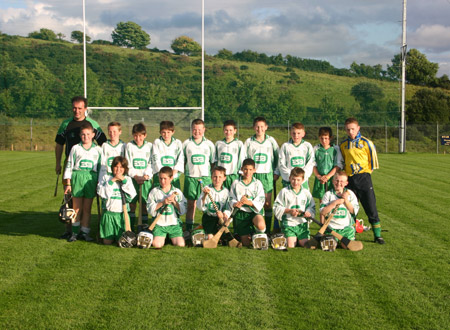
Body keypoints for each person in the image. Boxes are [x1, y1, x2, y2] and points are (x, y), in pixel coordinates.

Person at [340, 117, 385, 244]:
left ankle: (378, 236)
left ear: (358, 128)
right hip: (350, 180)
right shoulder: (343, 145)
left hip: (364, 178)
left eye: (353, 129)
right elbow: (343, 161)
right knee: (349, 207)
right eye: (348, 130)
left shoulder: (367, 143)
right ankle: (349, 232)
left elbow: (373, 162)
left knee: (370, 206)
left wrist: (365, 174)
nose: (351, 132)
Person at [63, 122, 102, 242]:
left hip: (91, 177)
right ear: (80, 135)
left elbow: (101, 168)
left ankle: (84, 232)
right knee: (76, 208)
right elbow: (69, 165)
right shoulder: (76, 148)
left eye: (88, 134)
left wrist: (99, 183)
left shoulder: (98, 150)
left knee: (87, 208)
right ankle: (74, 233)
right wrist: (68, 183)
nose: (86, 137)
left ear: (93, 135)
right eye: (83, 134)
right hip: (78, 176)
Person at [243, 116, 279, 234]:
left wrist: (276, 172)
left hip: (267, 175)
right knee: (252, 203)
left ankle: (267, 230)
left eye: (262, 127)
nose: (259, 129)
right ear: (254, 127)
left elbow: (278, 157)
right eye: (257, 127)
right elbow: (244, 158)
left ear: (266, 127)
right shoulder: (249, 142)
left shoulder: (271, 141)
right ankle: (253, 228)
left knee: (267, 204)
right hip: (253, 175)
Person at [55, 96, 106, 178]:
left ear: (85, 109)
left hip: (89, 163)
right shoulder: (65, 124)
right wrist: (58, 164)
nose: (77, 111)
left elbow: (104, 144)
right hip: (70, 163)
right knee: (68, 189)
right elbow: (59, 144)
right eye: (74, 108)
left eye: (80, 108)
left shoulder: (93, 124)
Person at [182, 119, 215, 232]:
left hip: (205, 177)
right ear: (192, 129)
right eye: (195, 129)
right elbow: (184, 161)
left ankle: (207, 228)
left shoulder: (209, 144)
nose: (197, 132)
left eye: (199, 130)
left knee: (206, 204)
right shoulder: (186, 143)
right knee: (191, 204)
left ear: (204, 130)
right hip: (191, 177)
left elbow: (212, 162)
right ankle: (189, 230)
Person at [97, 156, 136, 245]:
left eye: (121, 167)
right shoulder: (106, 178)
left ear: (125, 169)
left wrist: (124, 181)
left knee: (122, 241)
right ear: (112, 167)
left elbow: (131, 195)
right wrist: (113, 180)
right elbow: (103, 194)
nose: (118, 169)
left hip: (122, 215)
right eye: (116, 167)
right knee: (107, 242)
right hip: (109, 214)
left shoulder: (128, 179)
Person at [273, 168, 315, 248]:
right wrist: (289, 211)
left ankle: (302, 238)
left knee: (305, 244)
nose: (295, 182)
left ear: (303, 180)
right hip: (289, 223)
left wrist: (309, 212)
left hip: (302, 224)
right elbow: (276, 207)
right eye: (293, 179)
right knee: (291, 245)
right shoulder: (284, 191)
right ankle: (287, 235)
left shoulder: (306, 193)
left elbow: (312, 207)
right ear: (289, 178)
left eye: (298, 180)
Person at [229, 159, 266, 247]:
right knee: (246, 244)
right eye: (245, 169)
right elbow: (231, 198)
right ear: (242, 169)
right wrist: (235, 204)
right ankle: (250, 234)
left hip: (254, 212)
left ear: (254, 170)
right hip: (241, 214)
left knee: (261, 225)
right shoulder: (236, 183)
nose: (247, 172)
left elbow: (261, 200)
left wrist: (249, 202)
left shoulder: (258, 183)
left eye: (250, 169)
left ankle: (258, 234)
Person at [147, 166, 187, 248]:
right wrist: (162, 203)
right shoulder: (154, 191)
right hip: (159, 225)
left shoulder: (177, 192)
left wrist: (175, 202)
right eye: (160, 178)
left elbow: (183, 210)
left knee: (181, 244)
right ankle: (165, 238)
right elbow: (150, 209)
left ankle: (170, 237)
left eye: (165, 178)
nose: (162, 181)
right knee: (157, 245)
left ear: (171, 178)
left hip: (174, 224)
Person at [320, 171, 359, 248]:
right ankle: (334, 240)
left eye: (342, 181)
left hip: (346, 228)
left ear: (346, 183)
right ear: (333, 181)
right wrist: (335, 203)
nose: (338, 183)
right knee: (328, 247)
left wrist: (346, 201)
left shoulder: (350, 194)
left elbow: (353, 212)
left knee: (347, 246)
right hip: (331, 228)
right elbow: (323, 212)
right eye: (336, 180)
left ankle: (341, 241)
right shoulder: (328, 195)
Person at [125, 122, 153, 228]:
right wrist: (136, 176)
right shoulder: (129, 146)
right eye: (135, 135)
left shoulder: (149, 146)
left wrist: (146, 176)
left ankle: (143, 228)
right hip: (133, 180)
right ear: (133, 135)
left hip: (145, 180)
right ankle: (130, 228)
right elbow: (128, 164)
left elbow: (151, 163)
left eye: (140, 135)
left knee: (144, 204)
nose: (138, 138)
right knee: (132, 204)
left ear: (145, 135)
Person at [197, 166, 231, 240]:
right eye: (215, 177)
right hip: (209, 218)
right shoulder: (207, 189)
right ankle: (204, 233)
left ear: (224, 178)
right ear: (211, 177)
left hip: (220, 220)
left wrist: (223, 214)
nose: (217, 179)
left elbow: (228, 208)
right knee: (210, 237)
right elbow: (200, 207)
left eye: (220, 177)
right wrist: (204, 196)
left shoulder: (226, 192)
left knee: (223, 236)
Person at [278, 122, 314, 190]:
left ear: (303, 134)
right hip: (289, 180)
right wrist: (291, 177)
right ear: (290, 133)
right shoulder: (285, 146)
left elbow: (310, 163)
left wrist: (301, 177)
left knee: (303, 199)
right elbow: (281, 163)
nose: (296, 136)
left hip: (302, 182)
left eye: (298, 133)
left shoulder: (307, 146)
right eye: (294, 133)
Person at [312, 127, 343, 203]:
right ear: (319, 137)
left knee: (333, 200)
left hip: (332, 179)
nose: (324, 140)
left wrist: (328, 176)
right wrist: (319, 176)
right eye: (321, 138)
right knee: (322, 202)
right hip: (320, 179)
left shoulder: (335, 149)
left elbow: (338, 165)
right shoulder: (316, 149)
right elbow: (313, 165)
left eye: (326, 138)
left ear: (331, 138)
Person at [151, 121, 184, 189]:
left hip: (173, 177)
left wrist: (172, 175)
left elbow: (180, 159)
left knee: (175, 197)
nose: (166, 135)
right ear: (160, 132)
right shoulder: (157, 142)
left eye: (168, 132)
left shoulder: (177, 143)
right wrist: (164, 176)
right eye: (164, 132)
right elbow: (156, 160)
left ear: (173, 132)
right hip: (160, 177)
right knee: (158, 197)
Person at [214, 120, 244, 190]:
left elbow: (241, 159)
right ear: (223, 130)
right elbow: (215, 160)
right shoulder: (219, 144)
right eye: (226, 130)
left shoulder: (239, 144)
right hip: (220, 176)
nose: (228, 132)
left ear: (235, 131)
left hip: (233, 175)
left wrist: (240, 172)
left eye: (231, 130)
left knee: (233, 196)